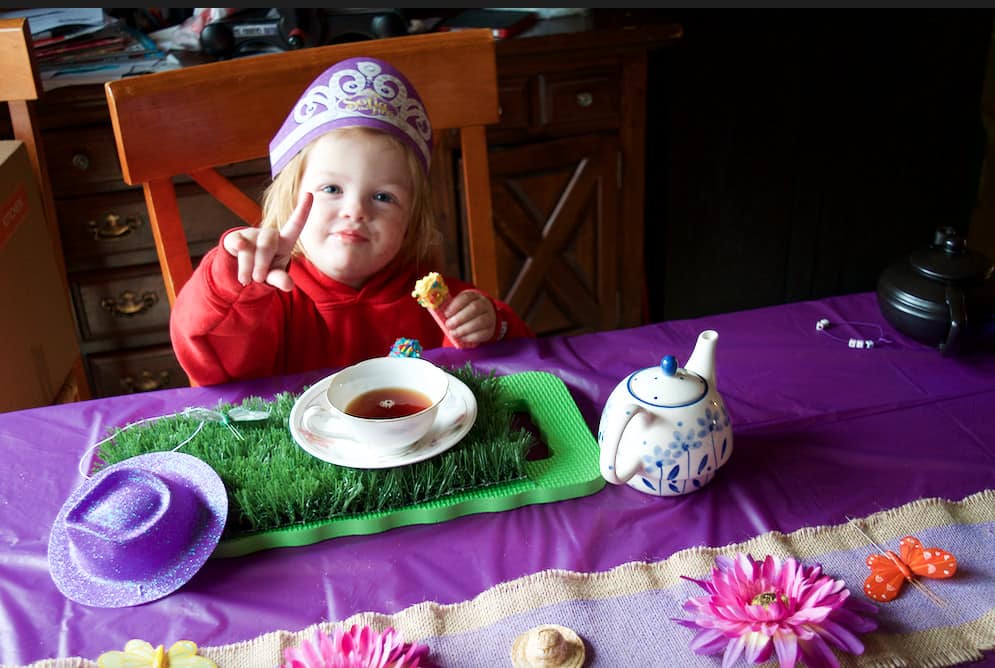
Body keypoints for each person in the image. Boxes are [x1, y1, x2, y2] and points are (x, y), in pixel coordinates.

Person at [169, 56, 533, 386]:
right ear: (291, 198)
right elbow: (210, 359)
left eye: (383, 197)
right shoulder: (264, 300)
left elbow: (520, 364)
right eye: (331, 188)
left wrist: (490, 326)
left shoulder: (435, 301)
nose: (356, 211)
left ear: (411, 220)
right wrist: (231, 279)